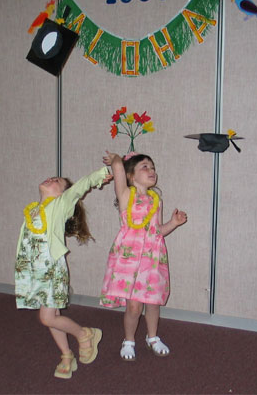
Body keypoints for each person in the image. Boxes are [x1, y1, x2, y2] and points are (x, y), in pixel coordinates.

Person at [15, 167, 112, 379]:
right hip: (36, 273)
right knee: (53, 316)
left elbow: (80, 186)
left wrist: (100, 175)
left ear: (62, 193)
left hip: (51, 271)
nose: (51, 179)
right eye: (51, 177)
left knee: (46, 318)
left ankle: (84, 334)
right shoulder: (33, 211)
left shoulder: (61, 205)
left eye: (57, 181)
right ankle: (67, 355)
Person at [100, 151, 187, 361]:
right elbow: (118, 169)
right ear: (131, 176)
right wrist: (117, 160)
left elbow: (158, 230)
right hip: (130, 258)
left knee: (152, 302)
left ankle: (153, 337)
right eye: (145, 167)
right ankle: (129, 340)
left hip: (152, 257)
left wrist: (174, 223)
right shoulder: (126, 195)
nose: (151, 170)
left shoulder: (156, 200)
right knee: (133, 306)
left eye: (153, 167)